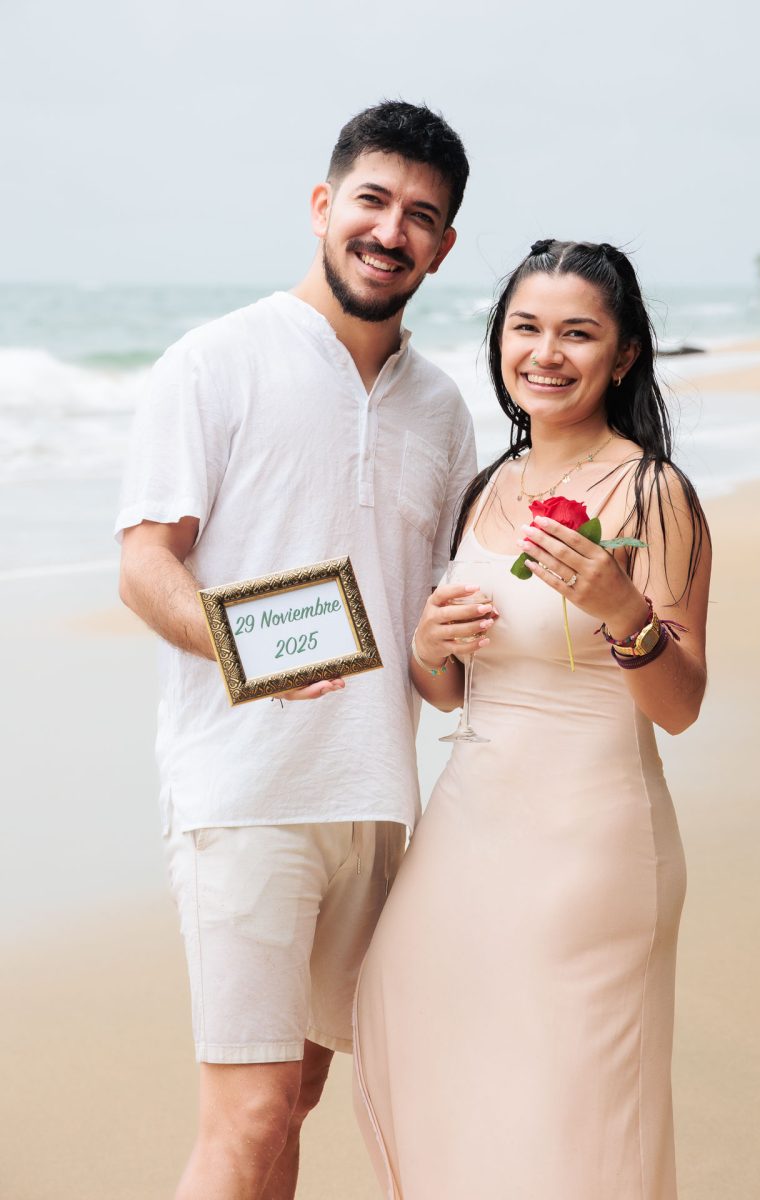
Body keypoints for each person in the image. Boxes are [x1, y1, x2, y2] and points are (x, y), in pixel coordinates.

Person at [115, 100, 475, 1200]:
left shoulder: (444, 409)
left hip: (374, 798)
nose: (390, 230)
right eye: (371, 200)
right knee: (250, 1112)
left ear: (443, 245)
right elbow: (143, 565)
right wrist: (243, 650)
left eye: (420, 215)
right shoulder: (213, 361)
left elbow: (431, 636)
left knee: (294, 1112)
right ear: (323, 206)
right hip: (246, 790)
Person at [353, 239, 711, 1200]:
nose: (545, 354)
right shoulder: (488, 486)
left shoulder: (652, 493)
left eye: (577, 333)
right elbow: (455, 690)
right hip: (469, 825)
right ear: (499, 339)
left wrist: (622, 610)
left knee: (569, 1110)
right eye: (526, 328)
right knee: (408, 1022)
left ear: (624, 354)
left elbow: (681, 706)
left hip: (589, 843)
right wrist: (431, 644)